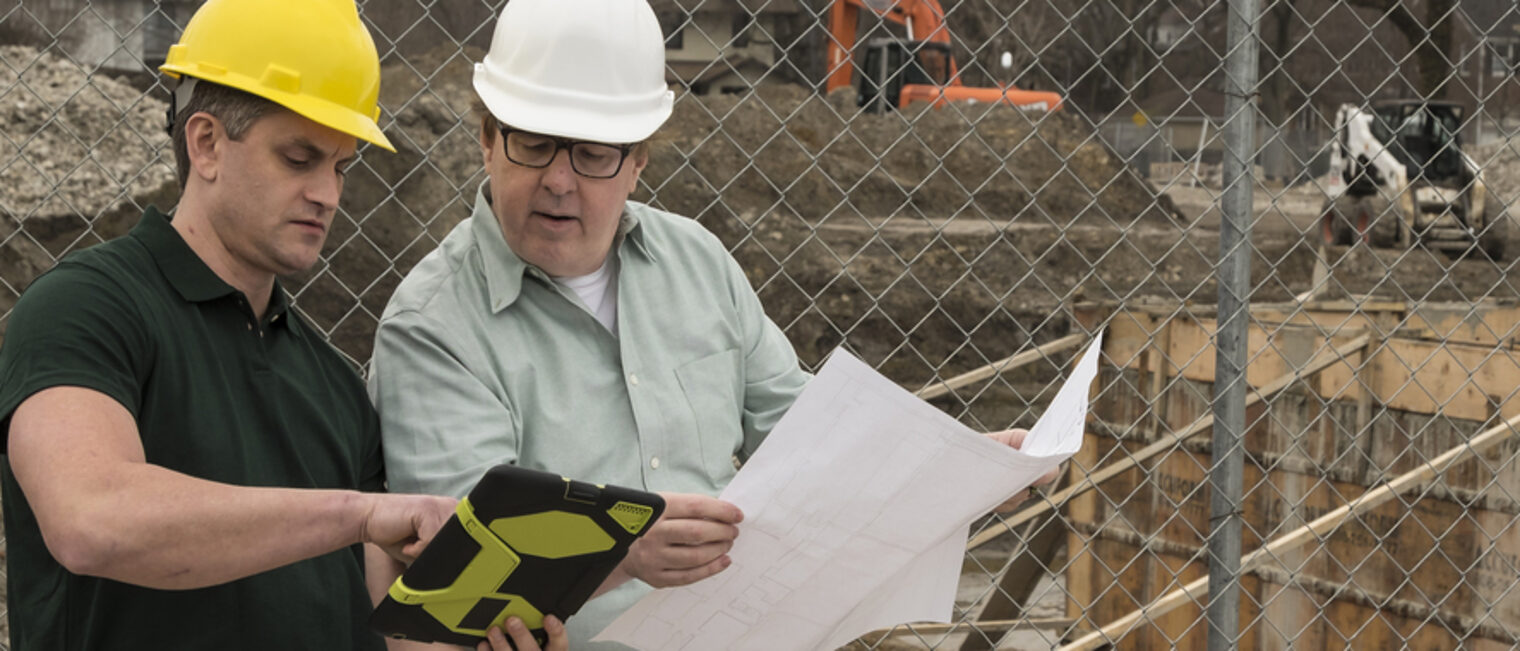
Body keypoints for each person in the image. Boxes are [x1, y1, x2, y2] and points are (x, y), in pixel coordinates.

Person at [367, 0, 1056, 647]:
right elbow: (463, 573)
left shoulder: (695, 263)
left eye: (595, 153)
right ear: (488, 138)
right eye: (537, 144)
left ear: (637, 161)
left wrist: (957, 466)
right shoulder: (435, 330)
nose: (559, 180)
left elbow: (811, 437)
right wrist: (625, 550)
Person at [0, 0, 561, 649]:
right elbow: (91, 518)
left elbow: (394, 622)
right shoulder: (87, 308)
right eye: (299, 158)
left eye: (341, 166)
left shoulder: (332, 386)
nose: (327, 192)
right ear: (205, 143)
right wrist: (360, 514)